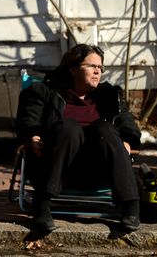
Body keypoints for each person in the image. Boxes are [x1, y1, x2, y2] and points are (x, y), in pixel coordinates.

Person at [14, 43, 142, 234]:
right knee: (69, 127)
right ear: (73, 69)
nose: (98, 72)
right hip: (56, 166)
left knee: (104, 128)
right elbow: (27, 122)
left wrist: (128, 143)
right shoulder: (43, 92)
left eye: (100, 68)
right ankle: (42, 205)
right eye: (92, 66)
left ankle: (131, 206)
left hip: (99, 170)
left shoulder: (110, 96)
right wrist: (33, 137)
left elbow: (131, 131)